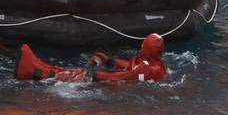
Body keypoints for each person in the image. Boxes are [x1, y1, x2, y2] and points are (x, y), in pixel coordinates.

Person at [15, 33, 167, 83]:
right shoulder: (152, 64)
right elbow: (131, 68)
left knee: (81, 75)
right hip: (126, 83)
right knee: (82, 73)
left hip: (115, 88)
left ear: (145, 47)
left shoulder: (146, 67)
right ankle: (39, 67)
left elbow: (127, 76)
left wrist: (99, 76)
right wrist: (110, 61)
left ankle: (35, 72)